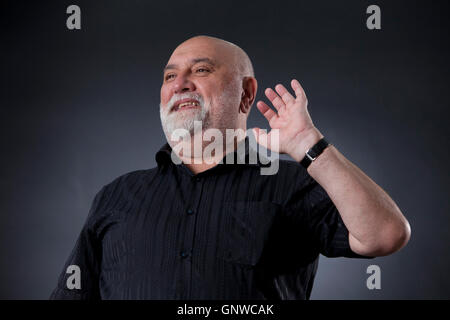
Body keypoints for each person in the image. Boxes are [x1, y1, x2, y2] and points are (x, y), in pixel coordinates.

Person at [50, 35, 411, 300]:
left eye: (201, 69)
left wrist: (308, 147)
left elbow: (385, 235)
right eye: (169, 76)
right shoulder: (117, 195)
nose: (180, 84)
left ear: (246, 93)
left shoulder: (291, 185)